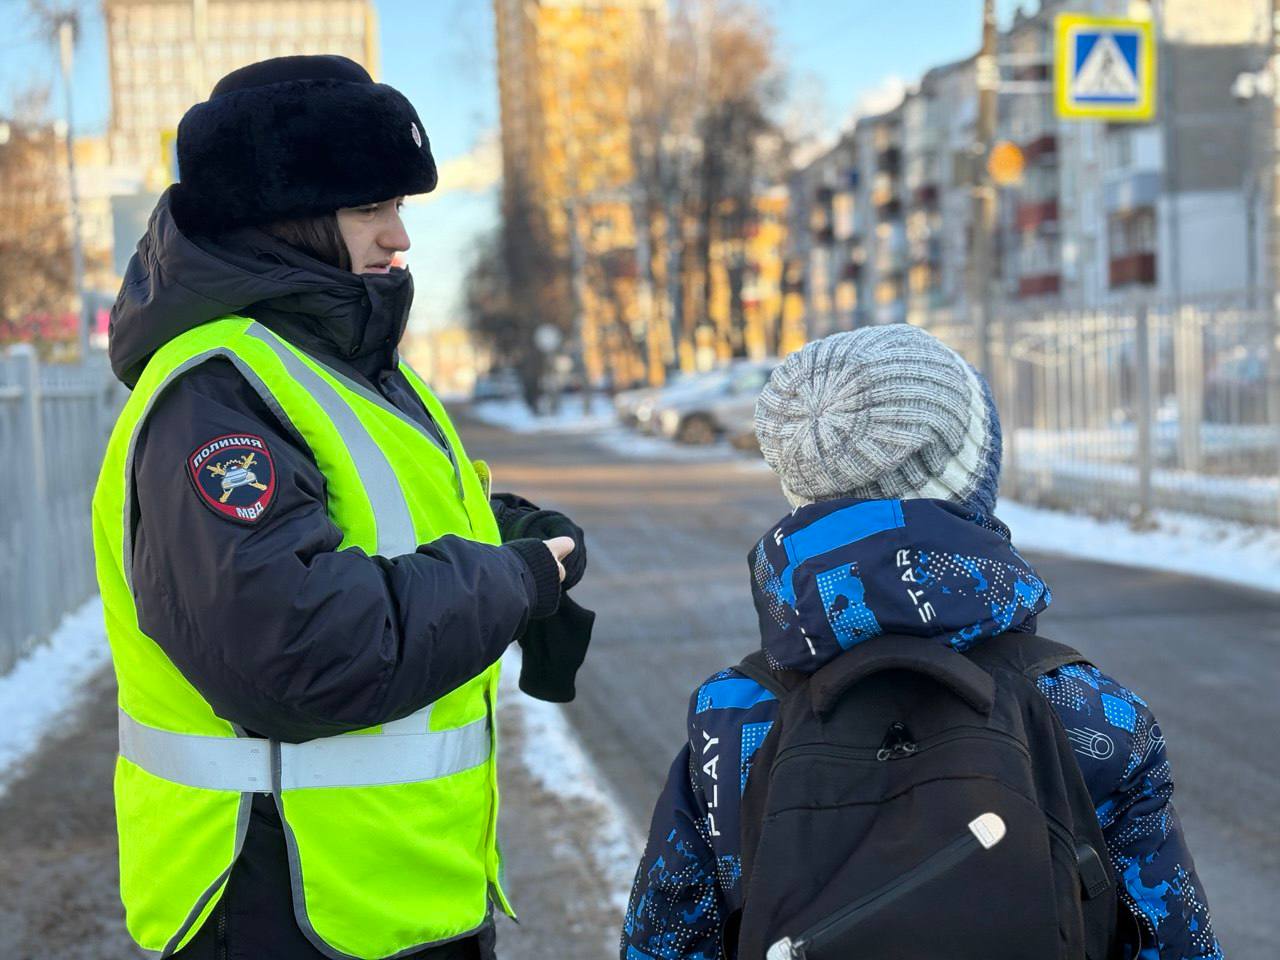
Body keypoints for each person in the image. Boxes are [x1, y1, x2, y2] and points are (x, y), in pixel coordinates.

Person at [92, 55, 591, 960]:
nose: (399, 237)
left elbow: (388, 520)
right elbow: (295, 647)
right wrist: (509, 582)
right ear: (284, 216)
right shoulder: (217, 391)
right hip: (278, 899)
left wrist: (509, 532)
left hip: (398, 894)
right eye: (371, 208)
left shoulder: (343, 363)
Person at [620, 326, 1222, 960]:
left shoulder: (730, 717)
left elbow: (663, 942)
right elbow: (1175, 940)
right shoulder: (1093, 710)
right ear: (970, 478)